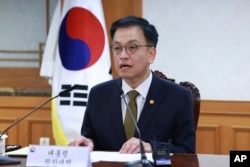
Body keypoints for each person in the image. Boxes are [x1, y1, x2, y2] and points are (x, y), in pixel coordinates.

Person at [69, 15, 195, 154]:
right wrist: (87, 144)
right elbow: (91, 140)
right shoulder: (99, 94)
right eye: (117, 48)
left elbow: (186, 152)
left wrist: (151, 148)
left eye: (132, 47)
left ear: (151, 54)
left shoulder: (178, 97)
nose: (123, 55)